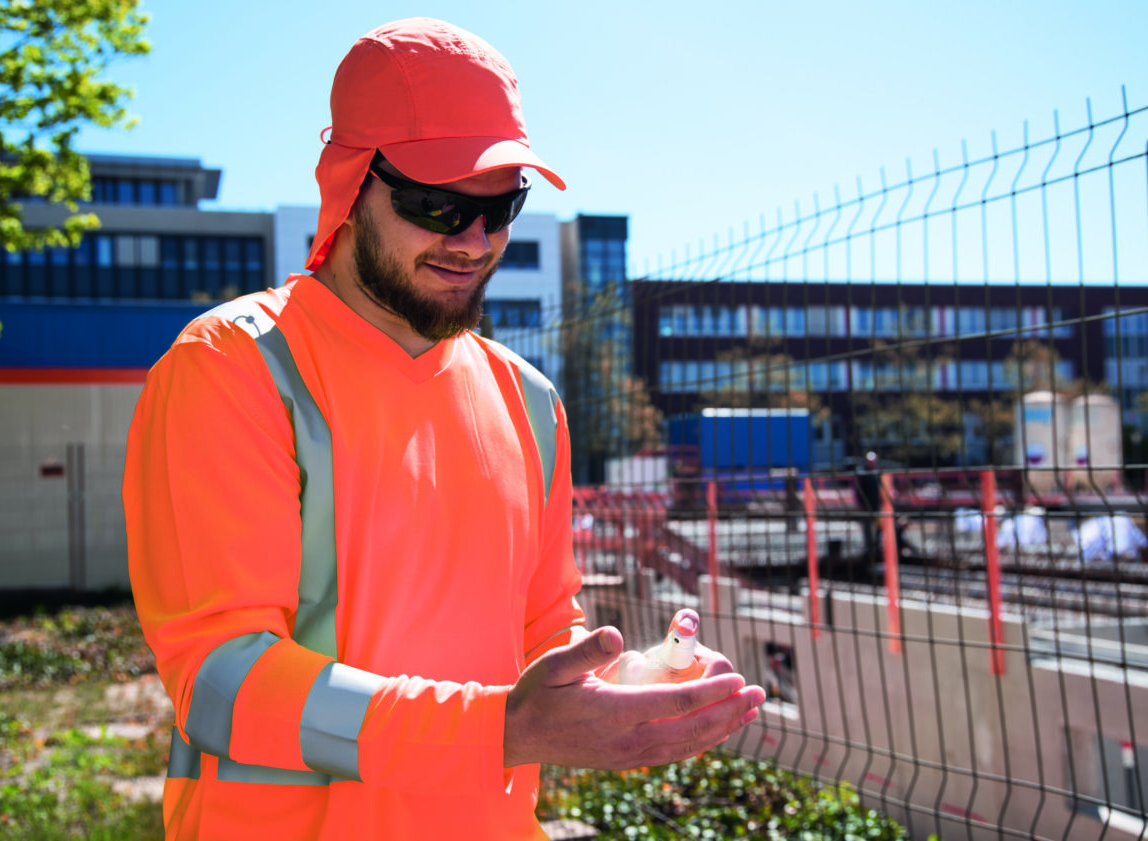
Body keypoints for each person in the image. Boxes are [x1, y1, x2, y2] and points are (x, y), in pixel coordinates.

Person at [123, 17, 764, 840]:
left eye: (500, 207)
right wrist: (501, 727)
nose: (475, 241)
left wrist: (625, 683)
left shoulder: (529, 401)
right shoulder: (234, 367)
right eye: (438, 203)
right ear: (350, 183)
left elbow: (543, 633)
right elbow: (220, 681)